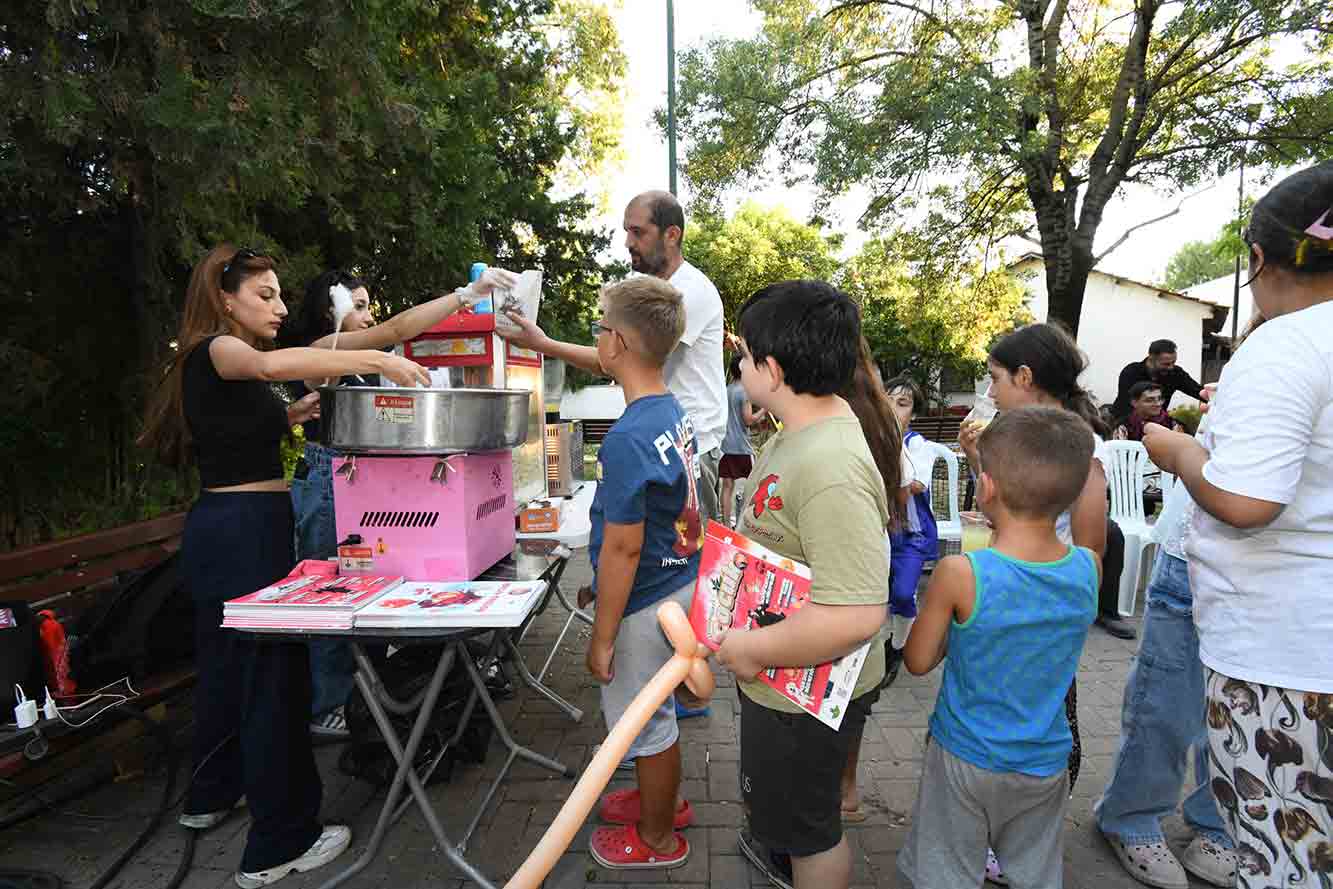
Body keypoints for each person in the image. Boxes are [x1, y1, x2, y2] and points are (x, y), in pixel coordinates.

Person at [137, 245, 431, 888]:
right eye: (263, 294)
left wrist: (291, 414)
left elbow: (242, 424)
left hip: (226, 529)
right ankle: (281, 842)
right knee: (273, 677)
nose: (276, 305)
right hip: (245, 534)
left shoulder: (216, 364)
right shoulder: (220, 348)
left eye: (277, 294)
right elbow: (271, 362)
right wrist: (375, 357)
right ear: (224, 297)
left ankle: (211, 794)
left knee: (224, 669)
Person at [1143, 161, 1333, 884]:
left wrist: (1183, 452)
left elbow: (1248, 501)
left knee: (1285, 851)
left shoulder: (1284, 344)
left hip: (1284, 664)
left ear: (1259, 258)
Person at [281, 266, 518, 738]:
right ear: (331, 307)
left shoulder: (354, 359)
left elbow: (398, 330)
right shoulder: (313, 353)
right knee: (334, 596)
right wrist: (466, 293)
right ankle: (325, 706)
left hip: (360, 480)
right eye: (358, 306)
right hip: (329, 479)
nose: (369, 317)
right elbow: (395, 331)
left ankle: (364, 697)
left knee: (367, 590)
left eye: (369, 306)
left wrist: (467, 296)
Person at [717, 280, 889, 889]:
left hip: (804, 689)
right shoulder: (798, 431)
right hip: (788, 680)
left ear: (773, 368)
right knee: (791, 818)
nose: (738, 367)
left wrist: (752, 649)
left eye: (744, 356)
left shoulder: (829, 466)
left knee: (810, 834)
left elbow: (856, 613)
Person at [898, 406, 1101, 889]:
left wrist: (958, 622)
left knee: (947, 869)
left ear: (985, 489)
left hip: (965, 754)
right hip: (1045, 760)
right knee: (1035, 870)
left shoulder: (962, 574)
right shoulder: (1089, 566)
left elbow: (918, 660)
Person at [958, 321, 1124, 885]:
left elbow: (1092, 545)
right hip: (1006, 591)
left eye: (997, 379)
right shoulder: (1016, 432)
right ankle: (993, 822)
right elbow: (1010, 505)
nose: (992, 391)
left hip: (1045, 605)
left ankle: (1026, 833)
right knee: (994, 705)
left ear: (1026, 378)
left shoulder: (1080, 447)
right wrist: (980, 461)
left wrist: (1057, 593)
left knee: (1051, 713)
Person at [497, 190, 726, 523]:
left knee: (686, 557)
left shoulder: (689, 292)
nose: (628, 242)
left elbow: (623, 359)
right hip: (658, 437)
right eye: (626, 231)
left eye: (638, 232)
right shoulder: (643, 287)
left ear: (672, 234)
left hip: (690, 445)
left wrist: (544, 344)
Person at [583, 276, 701, 870]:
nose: (596, 335)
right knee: (658, 711)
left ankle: (656, 837)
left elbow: (623, 551)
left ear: (619, 345)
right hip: (676, 582)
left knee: (645, 720)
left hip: (643, 601)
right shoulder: (669, 409)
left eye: (600, 326)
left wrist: (603, 636)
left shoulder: (627, 436)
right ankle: (664, 801)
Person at [1094, 478, 1237, 889]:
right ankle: (1130, 815)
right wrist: (1177, 451)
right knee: (1166, 700)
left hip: (1296, 573)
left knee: (1240, 710)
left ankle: (1222, 819)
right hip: (1200, 551)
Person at [836, 338, 906, 826]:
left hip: (840, 578)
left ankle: (828, 797)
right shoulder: (881, 421)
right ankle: (848, 789)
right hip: (873, 568)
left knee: (831, 700)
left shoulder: (837, 426)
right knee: (854, 700)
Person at [883, 375, 940, 686]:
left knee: (904, 592)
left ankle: (898, 647)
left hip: (910, 537)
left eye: (902, 404)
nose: (892, 409)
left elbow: (915, 484)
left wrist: (894, 442)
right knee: (881, 594)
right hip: (879, 535)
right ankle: (889, 639)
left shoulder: (918, 445)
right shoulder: (870, 440)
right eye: (888, 401)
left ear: (914, 413)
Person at [720, 354, 766, 527]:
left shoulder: (726, 390)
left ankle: (725, 524)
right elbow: (748, 419)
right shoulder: (744, 393)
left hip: (726, 446)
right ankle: (747, 523)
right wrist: (763, 410)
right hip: (742, 447)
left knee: (727, 486)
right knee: (754, 485)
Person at [1111, 339, 1205, 419]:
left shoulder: (1176, 373)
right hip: (1125, 422)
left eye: (1173, 362)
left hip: (1157, 424)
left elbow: (1198, 391)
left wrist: (1214, 397)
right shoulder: (1131, 372)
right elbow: (1126, 405)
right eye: (1166, 364)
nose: (1171, 367)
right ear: (1151, 358)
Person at [1111, 381, 1178, 442]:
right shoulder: (1124, 426)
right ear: (1134, 403)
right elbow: (1119, 452)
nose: (1158, 404)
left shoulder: (1172, 423)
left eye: (1160, 399)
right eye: (1149, 400)